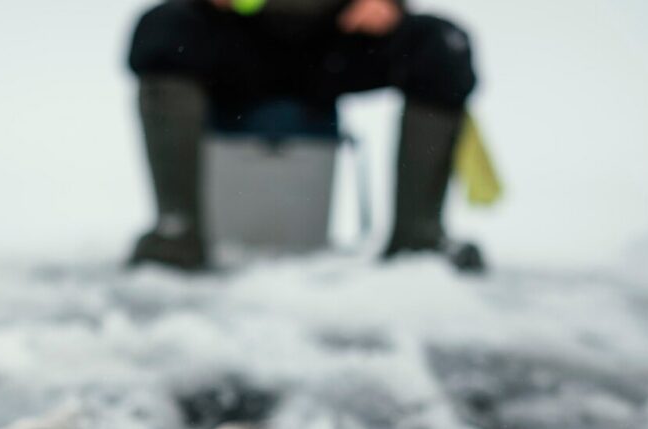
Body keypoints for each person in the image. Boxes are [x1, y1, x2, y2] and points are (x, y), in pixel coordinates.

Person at [126, 0, 485, 272]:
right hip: (239, 33)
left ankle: (418, 240)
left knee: (442, 46)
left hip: (343, 37)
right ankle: (177, 234)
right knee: (163, 31)